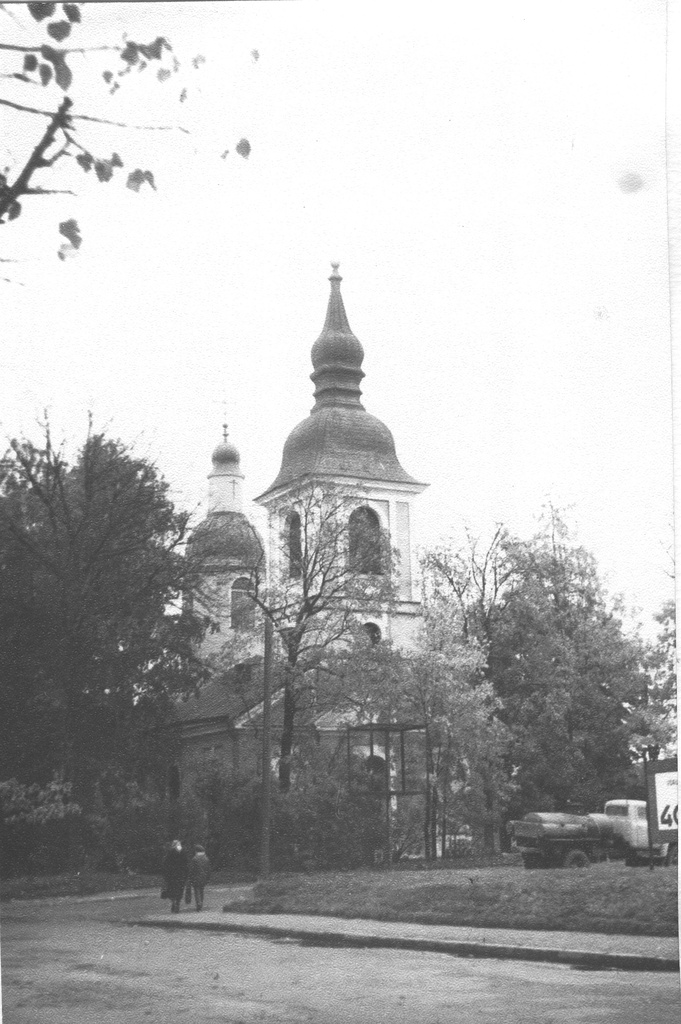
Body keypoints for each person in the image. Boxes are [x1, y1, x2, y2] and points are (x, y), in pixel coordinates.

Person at [162, 839, 189, 913]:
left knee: (172, 890)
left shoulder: (170, 853)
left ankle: (173, 902)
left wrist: (166, 875)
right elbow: (186, 864)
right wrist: (186, 874)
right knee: (180, 890)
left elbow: (166, 864)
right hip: (181, 875)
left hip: (172, 875)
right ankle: (178, 903)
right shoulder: (184, 852)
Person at [188, 844, 211, 911]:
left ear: (196, 851)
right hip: (204, 877)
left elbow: (192, 869)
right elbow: (208, 869)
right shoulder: (206, 858)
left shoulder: (194, 859)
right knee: (201, 890)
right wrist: (208, 877)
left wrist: (190, 877)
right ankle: (201, 903)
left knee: (197, 890)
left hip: (196, 877)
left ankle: (198, 904)